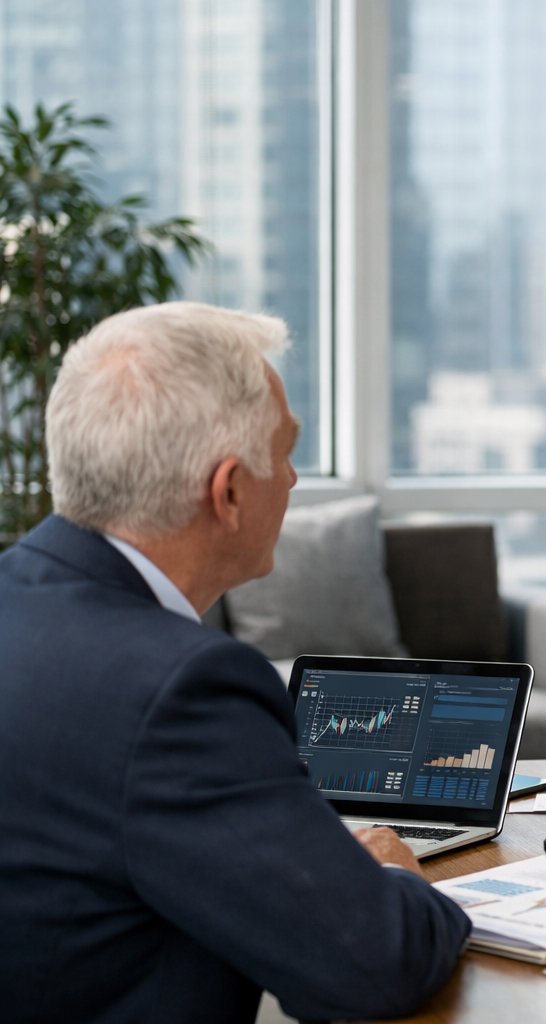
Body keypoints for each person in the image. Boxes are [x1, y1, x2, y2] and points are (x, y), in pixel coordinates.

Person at [0, 303, 470, 1023]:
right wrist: (390, 878)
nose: (290, 480)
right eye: (285, 452)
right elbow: (375, 964)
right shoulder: (182, 688)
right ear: (228, 492)